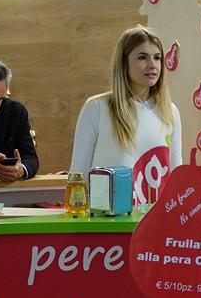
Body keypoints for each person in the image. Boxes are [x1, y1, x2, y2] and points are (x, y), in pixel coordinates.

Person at [70, 25, 182, 205]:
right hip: (105, 218)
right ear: (124, 63)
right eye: (142, 57)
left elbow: (177, 178)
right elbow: (78, 175)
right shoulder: (97, 108)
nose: (152, 65)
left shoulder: (171, 112)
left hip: (155, 219)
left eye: (157, 57)